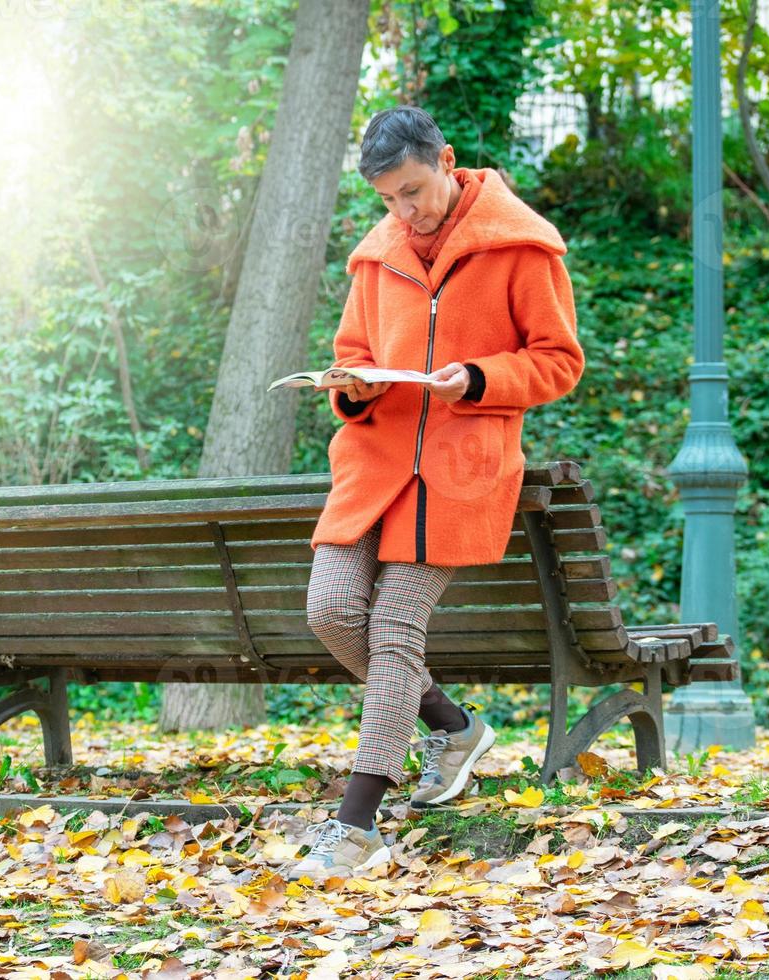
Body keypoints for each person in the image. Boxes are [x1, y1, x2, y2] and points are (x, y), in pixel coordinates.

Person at [287, 106, 585, 880]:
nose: (404, 212)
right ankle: (452, 727)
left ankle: (355, 828)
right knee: (330, 610)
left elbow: (558, 361)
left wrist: (482, 378)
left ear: (447, 160)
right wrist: (347, 388)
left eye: (414, 192)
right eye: (389, 200)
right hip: (373, 465)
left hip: (459, 470)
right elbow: (352, 355)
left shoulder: (523, 245)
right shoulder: (376, 256)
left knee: (392, 633)